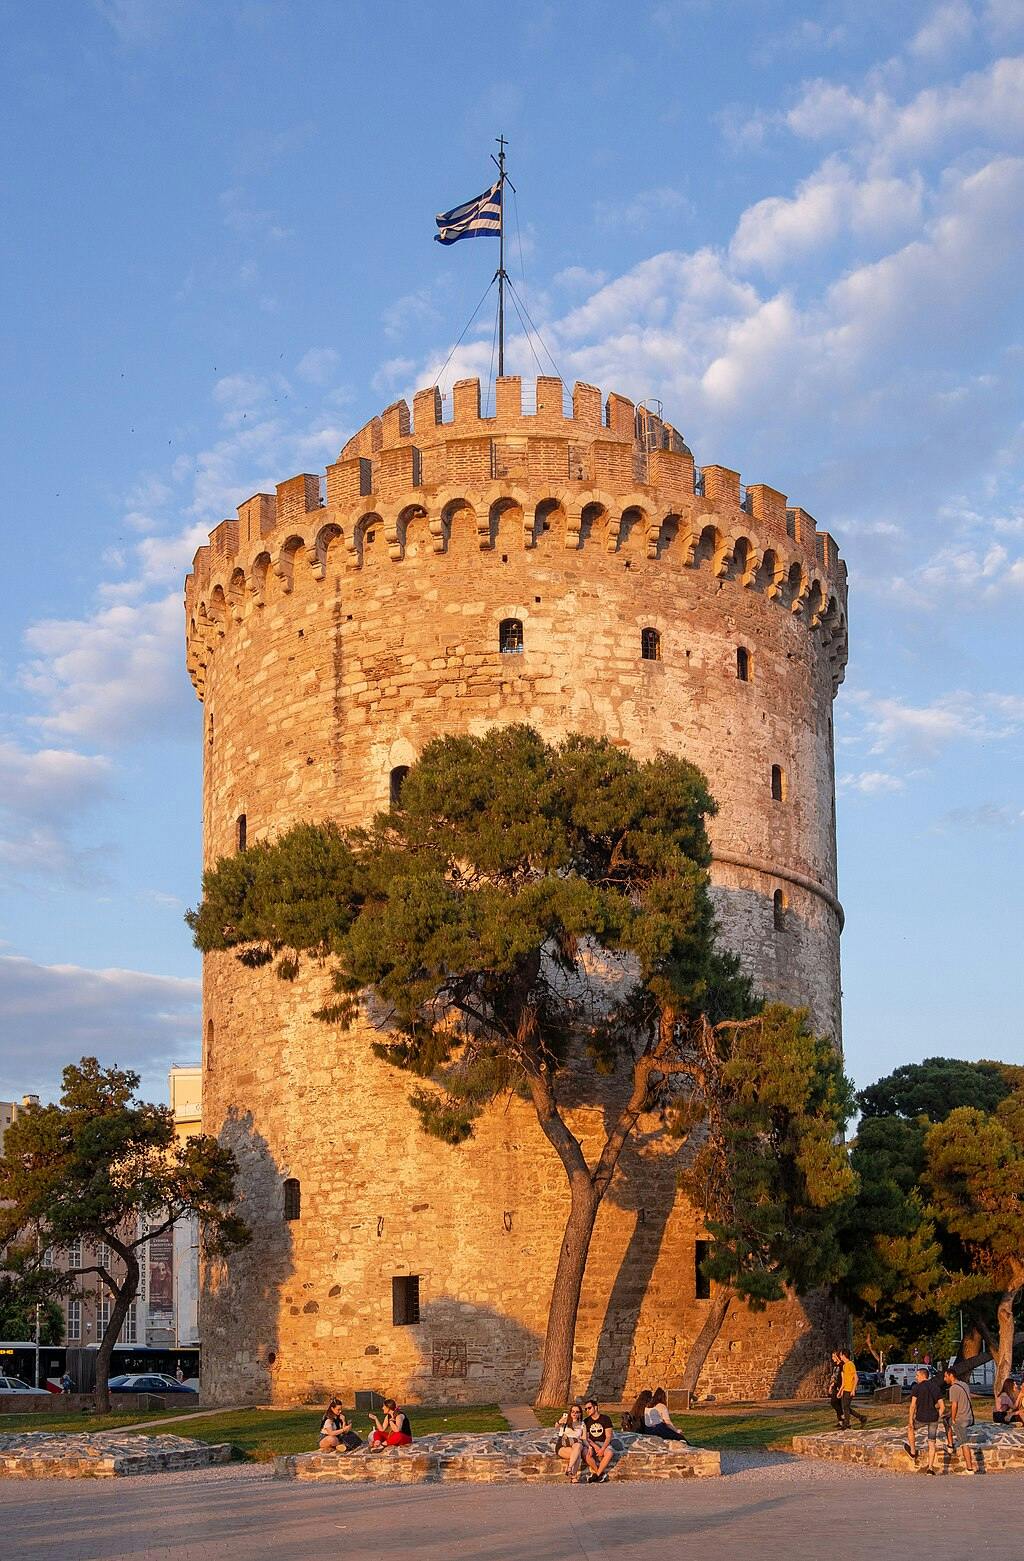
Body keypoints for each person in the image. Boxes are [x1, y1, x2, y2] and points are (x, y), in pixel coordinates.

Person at [905, 1366, 945, 1473]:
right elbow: (942, 1406)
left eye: (917, 1375)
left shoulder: (917, 1388)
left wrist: (910, 1420)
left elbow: (913, 1406)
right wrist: (938, 1416)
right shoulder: (935, 1388)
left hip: (920, 1417)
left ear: (923, 1376)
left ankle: (913, 1452)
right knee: (931, 1443)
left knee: (910, 1429)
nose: (916, 1377)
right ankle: (930, 1468)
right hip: (933, 1418)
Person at [942, 1368, 977, 1474]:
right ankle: (950, 1445)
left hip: (961, 1419)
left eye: (945, 1376)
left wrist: (953, 1419)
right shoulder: (964, 1385)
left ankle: (969, 1468)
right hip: (969, 1416)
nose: (944, 1379)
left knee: (963, 1443)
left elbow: (954, 1405)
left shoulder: (953, 1388)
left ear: (951, 1375)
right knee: (945, 1420)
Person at [582, 1396, 615, 1483]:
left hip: (604, 1443)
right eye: (585, 1409)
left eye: (589, 1408)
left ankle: (596, 1475)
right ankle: (600, 1474)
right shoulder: (586, 1421)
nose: (587, 1410)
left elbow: (608, 1436)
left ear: (595, 1407)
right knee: (585, 1453)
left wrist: (603, 1448)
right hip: (592, 1444)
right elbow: (586, 1437)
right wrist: (595, 1446)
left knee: (609, 1453)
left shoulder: (605, 1419)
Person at [554, 1401, 586, 1480]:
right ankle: (573, 1476)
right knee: (577, 1454)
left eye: (577, 1412)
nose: (574, 1413)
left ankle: (569, 1469)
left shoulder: (582, 1424)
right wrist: (560, 1421)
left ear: (580, 1414)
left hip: (576, 1446)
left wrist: (590, 1447)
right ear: (570, 1412)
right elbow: (556, 1427)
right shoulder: (566, 1421)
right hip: (563, 1445)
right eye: (573, 1411)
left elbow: (584, 1438)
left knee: (578, 1446)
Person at [838, 1350, 866, 1430]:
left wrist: (853, 1389)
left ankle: (846, 1424)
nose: (840, 1357)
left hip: (850, 1389)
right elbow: (844, 1380)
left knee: (846, 1407)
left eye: (840, 1355)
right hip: (845, 1388)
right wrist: (841, 1390)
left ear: (844, 1355)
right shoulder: (844, 1365)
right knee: (845, 1407)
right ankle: (862, 1418)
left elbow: (856, 1378)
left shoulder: (851, 1364)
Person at [828, 1353, 845, 1427]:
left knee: (834, 1402)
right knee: (836, 1403)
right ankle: (841, 1421)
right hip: (834, 1386)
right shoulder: (835, 1366)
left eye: (834, 1356)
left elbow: (842, 1377)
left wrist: (841, 1387)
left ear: (837, 1357)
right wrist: (831, 1385)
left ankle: (842, 1416)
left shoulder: (841, 1365)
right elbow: (834, 1377)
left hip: (839, 1386)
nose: (832, 1358)